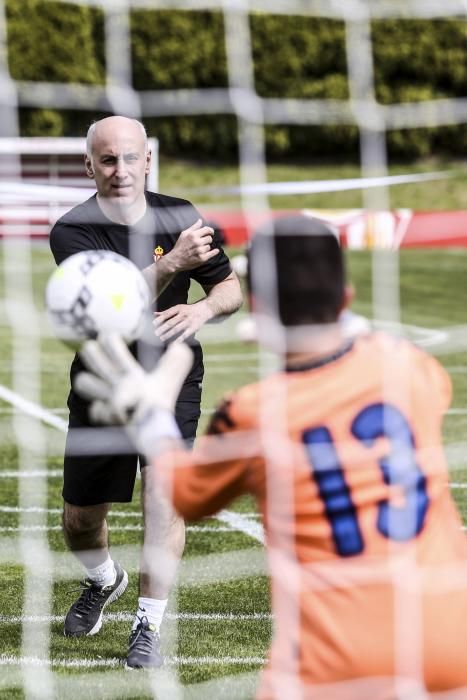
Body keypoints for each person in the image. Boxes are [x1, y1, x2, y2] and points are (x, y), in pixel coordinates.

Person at [74, 214, 467, 697]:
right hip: (451, 637)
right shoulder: (411, 367)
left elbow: (184, 497)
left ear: (256, 305)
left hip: (337, 658)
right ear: (346, 296)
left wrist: (151, 416)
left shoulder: (254, 413)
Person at [49, 115, 242, 669]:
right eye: (108, 159)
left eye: (131, 157)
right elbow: (115, 302)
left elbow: (229, 288)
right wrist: (174, 261)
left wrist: (203, 307)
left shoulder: (179, 214)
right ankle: (104, 580)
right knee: (80, 520)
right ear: (90, 166)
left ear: (148, 160)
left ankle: (148, 624)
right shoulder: (72, 230)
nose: (121, 170)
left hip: (171, 378)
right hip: (103, 376)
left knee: (165, 495)